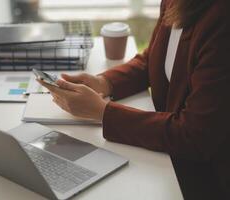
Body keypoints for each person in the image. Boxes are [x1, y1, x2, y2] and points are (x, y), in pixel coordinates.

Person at [38, 0, 230, 198]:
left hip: (205, 178)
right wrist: (103, 82)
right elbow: (153, 59)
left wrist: (103, 112)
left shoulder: (222, 18)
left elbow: (194, 135)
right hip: (168, 158)